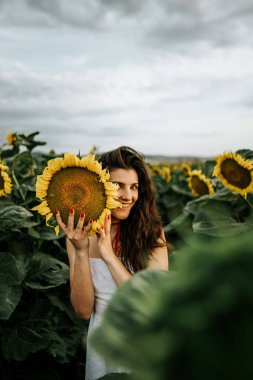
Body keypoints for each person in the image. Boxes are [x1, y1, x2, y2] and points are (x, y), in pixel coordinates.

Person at [56, 146, 169, 380]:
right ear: (100, 186)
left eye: (134, 187)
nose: (128, 196)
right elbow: (83, 310)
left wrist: (108, 255)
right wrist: (80, 251)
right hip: (102, 344)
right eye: (118, 185)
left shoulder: (151, 234)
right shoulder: (79, 235)